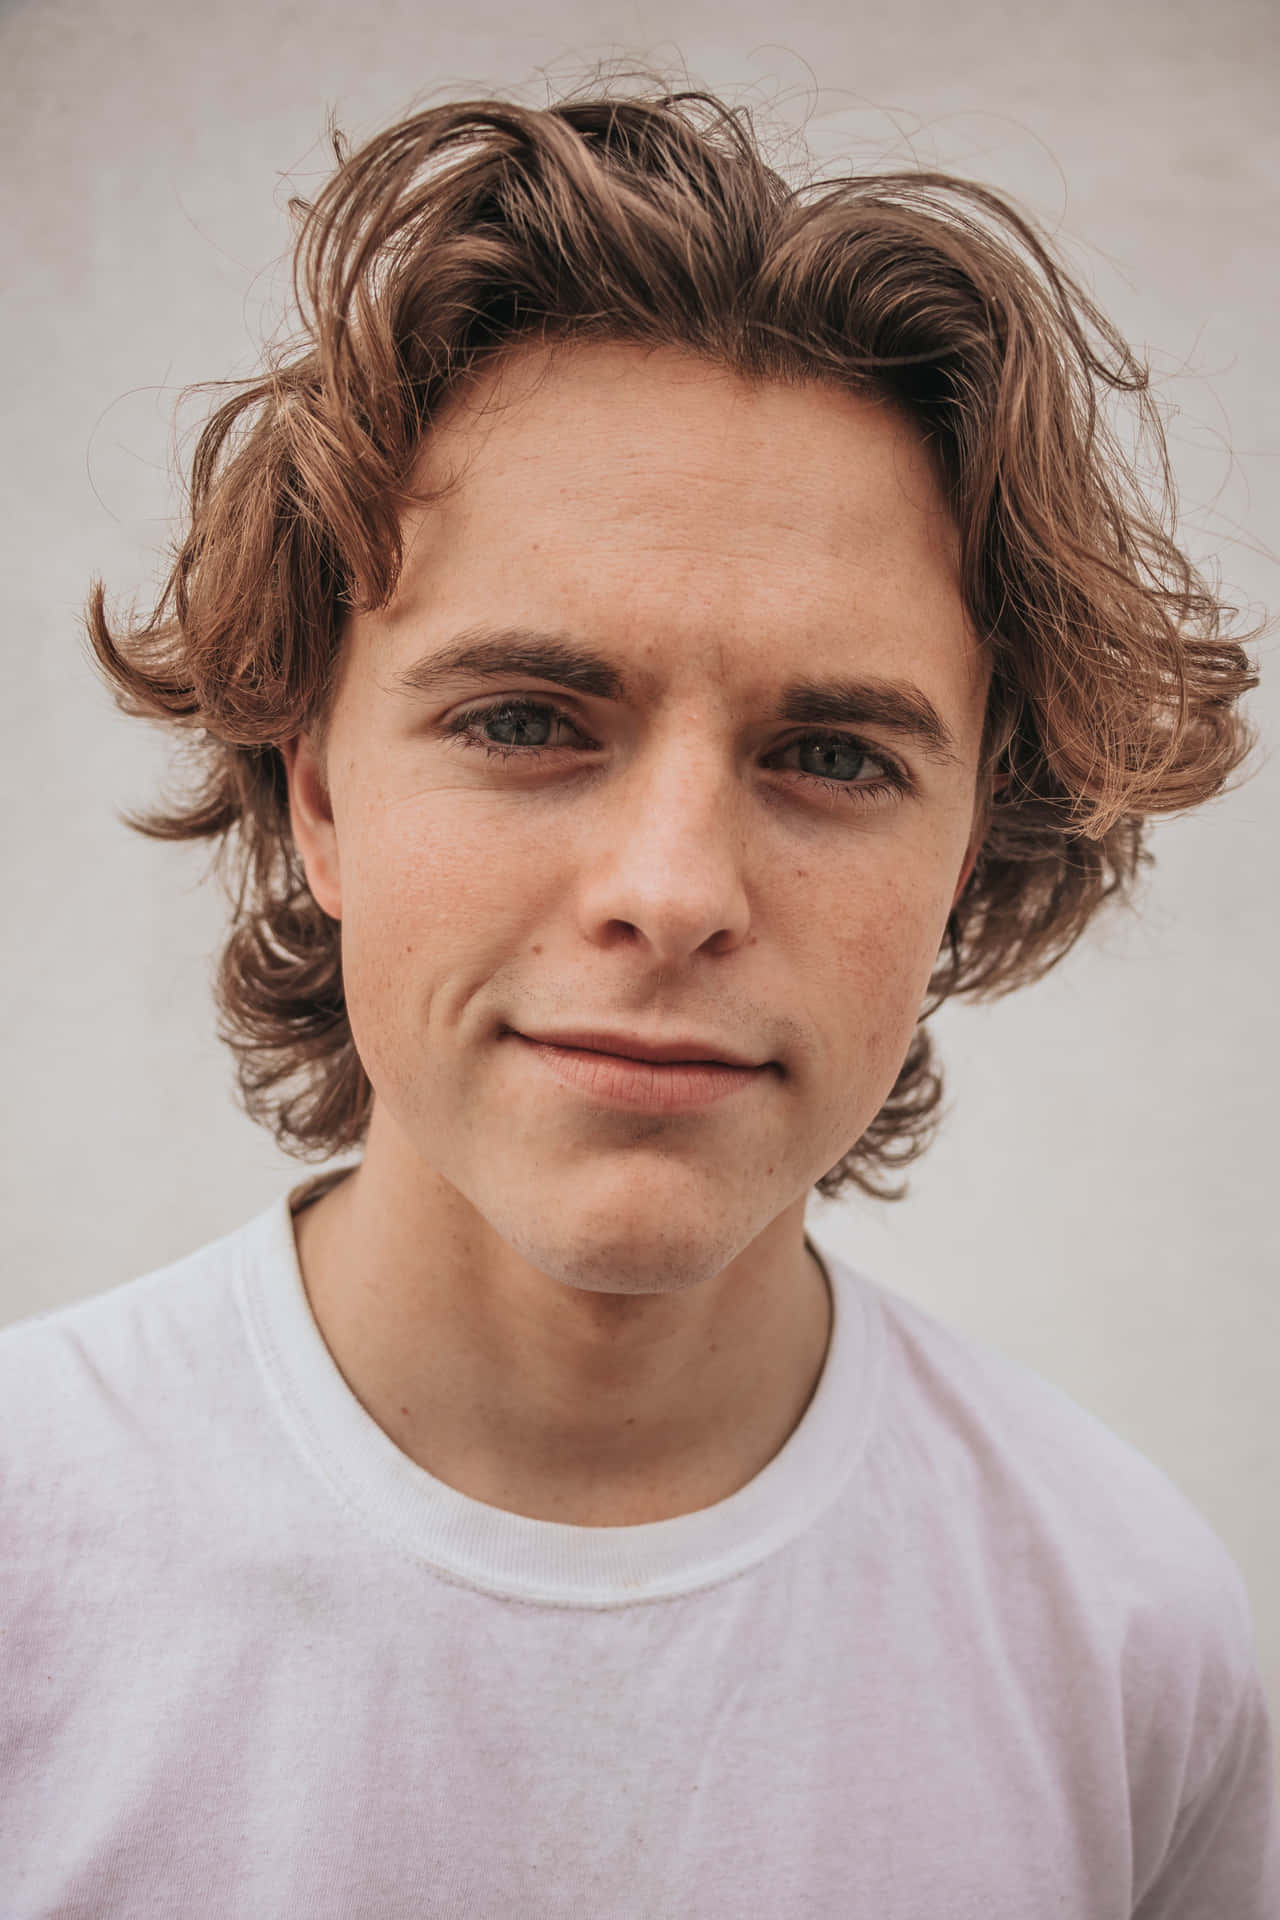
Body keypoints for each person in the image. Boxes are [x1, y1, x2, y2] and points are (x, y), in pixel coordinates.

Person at [1, 75, 1275, 1917]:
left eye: (832, 755)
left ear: (972, 853)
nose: (673, 893)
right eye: (527, 722)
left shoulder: (1129, 1634)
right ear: (322, 795)